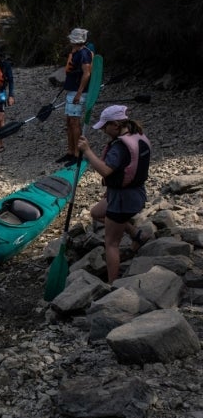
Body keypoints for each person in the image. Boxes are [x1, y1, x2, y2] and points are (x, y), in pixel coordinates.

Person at [77, 105, 152, 283]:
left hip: (123, 199)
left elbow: (105, 170)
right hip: (134, 193)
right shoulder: (136, 134)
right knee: (96, 213)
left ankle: (112, 285)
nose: (103, 130)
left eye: (105, 126)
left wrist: (87, 151)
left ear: (116, 124)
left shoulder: (120, 147)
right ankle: (137, 235)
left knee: (111, 243)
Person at [57, 27, 94, 166]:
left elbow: (87, 73)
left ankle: (77, 154)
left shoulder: (84, 54)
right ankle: (70, 151)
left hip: (78, 92)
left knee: (74, 122)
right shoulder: (76, 52)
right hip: (71, 91)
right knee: (69, 121)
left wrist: (79, 93)